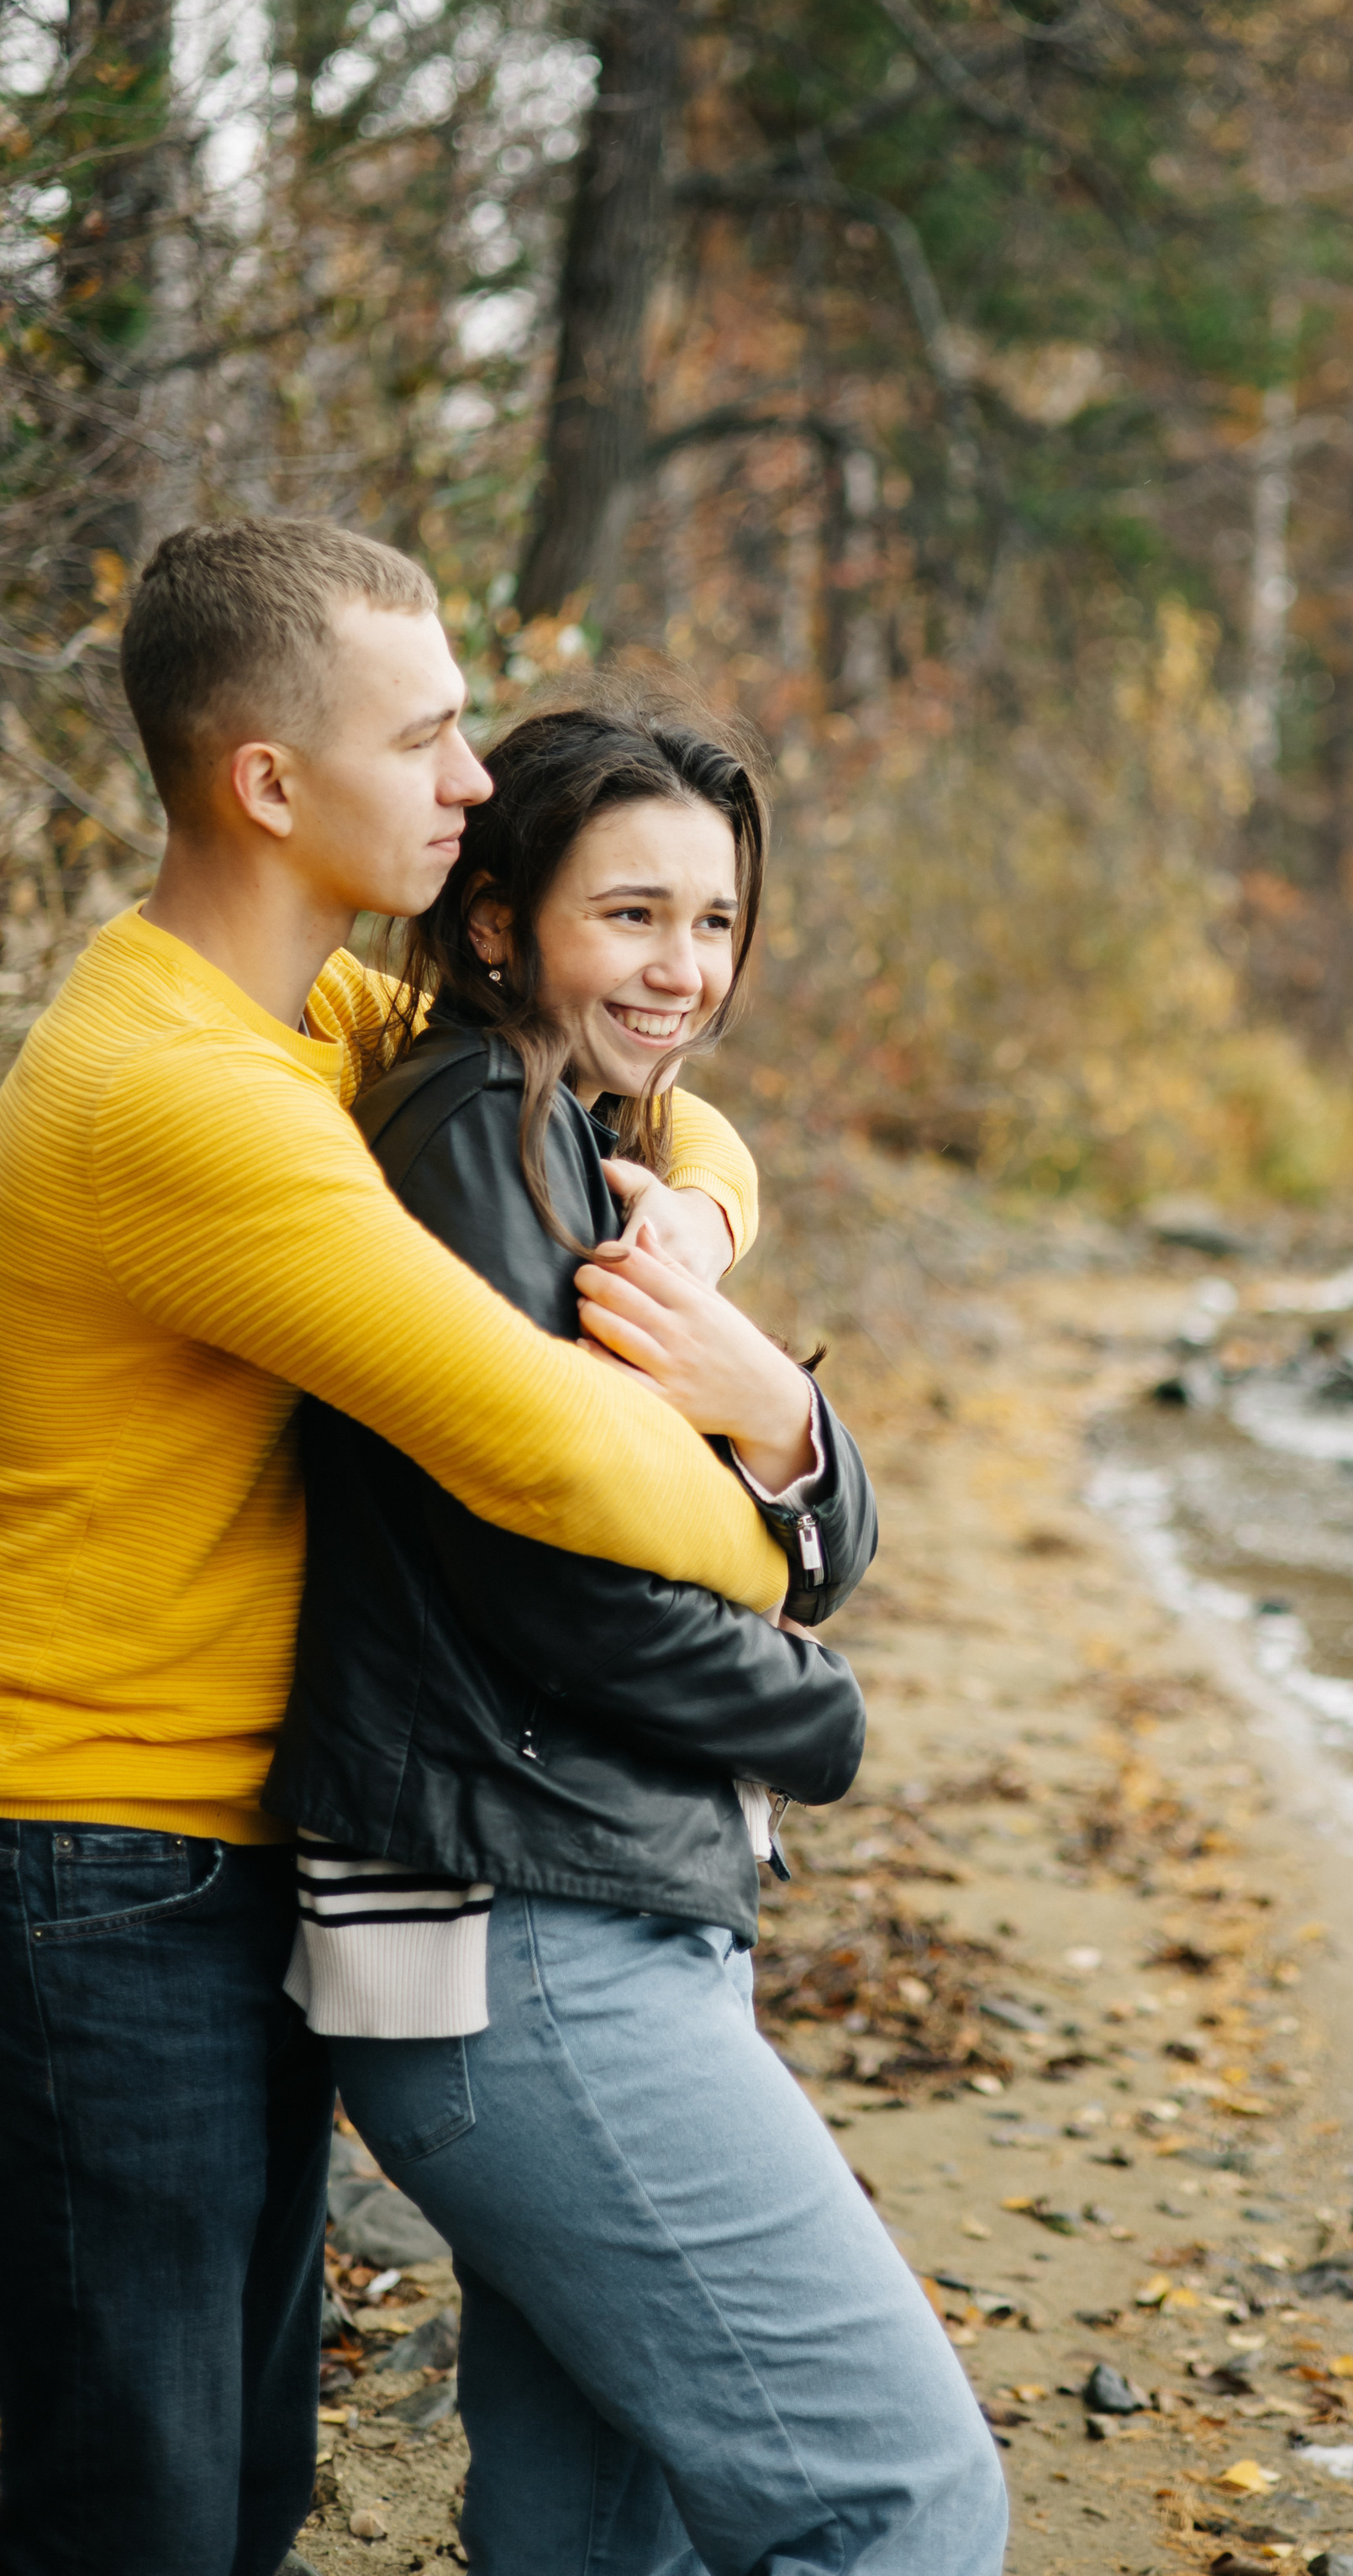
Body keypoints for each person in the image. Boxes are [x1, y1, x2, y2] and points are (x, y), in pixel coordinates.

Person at [0, 520, 800, 2576]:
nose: (471, 784)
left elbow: (670, 1109)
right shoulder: (181, 1095)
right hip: (89, 1864)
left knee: (238, 2488)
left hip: (212, 1848)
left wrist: (685, 1232)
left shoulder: (308, 1020)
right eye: (430, 737)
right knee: (142, 2512)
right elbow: (539, 1448)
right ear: (270, 782)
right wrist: (792, 1517)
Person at [270, 693, 1008, 2576]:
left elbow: (811, 1522)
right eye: (631, 915)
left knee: (604, 2528)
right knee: (899, 2502)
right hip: (516, 1936)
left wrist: (780, 1413)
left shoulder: (597, 1144)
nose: (683, 967)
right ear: (501, 914)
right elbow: (547, 1563)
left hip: (586, 1909)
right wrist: (814, 1721)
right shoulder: (474, 1131)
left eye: (714, 921)